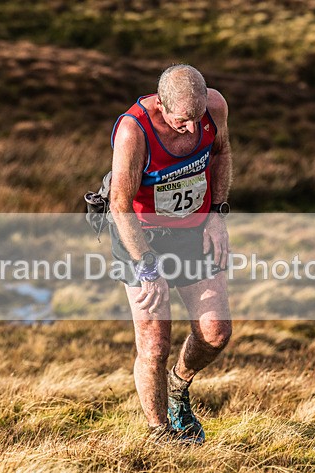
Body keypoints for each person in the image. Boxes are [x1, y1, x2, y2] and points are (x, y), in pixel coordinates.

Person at [109, 64, 233, 443]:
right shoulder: (134, 130)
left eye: (197, 118)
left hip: (193, 231)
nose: (192, 128)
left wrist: (216, 214)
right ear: (161, 105)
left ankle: (178, 386)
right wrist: (148, 269)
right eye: (182, 121)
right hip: (140, 237)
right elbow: (120, 204)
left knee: (215, 332)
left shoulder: (214, 107)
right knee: (154, 344)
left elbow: (221, 152)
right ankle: (160, 434)